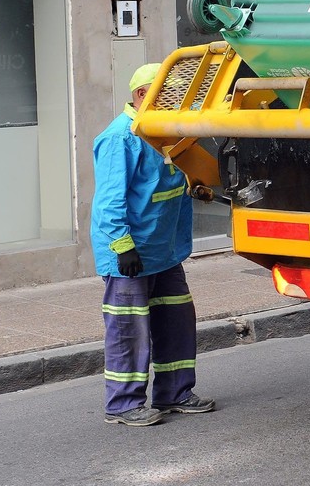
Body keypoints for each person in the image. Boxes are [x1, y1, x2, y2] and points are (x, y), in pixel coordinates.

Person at [91, 63, 215, 426]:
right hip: (132, 253)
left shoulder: (164, 133)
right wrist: (122, 246)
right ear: (144, 95)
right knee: (129, 329)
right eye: (171, 94)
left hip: (163, 250)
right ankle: (123, 404)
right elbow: (110, 202)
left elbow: (165, 183)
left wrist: (196, 186)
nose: (178, 101)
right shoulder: (121, 138)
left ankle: (174, 393)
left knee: (176, 321)